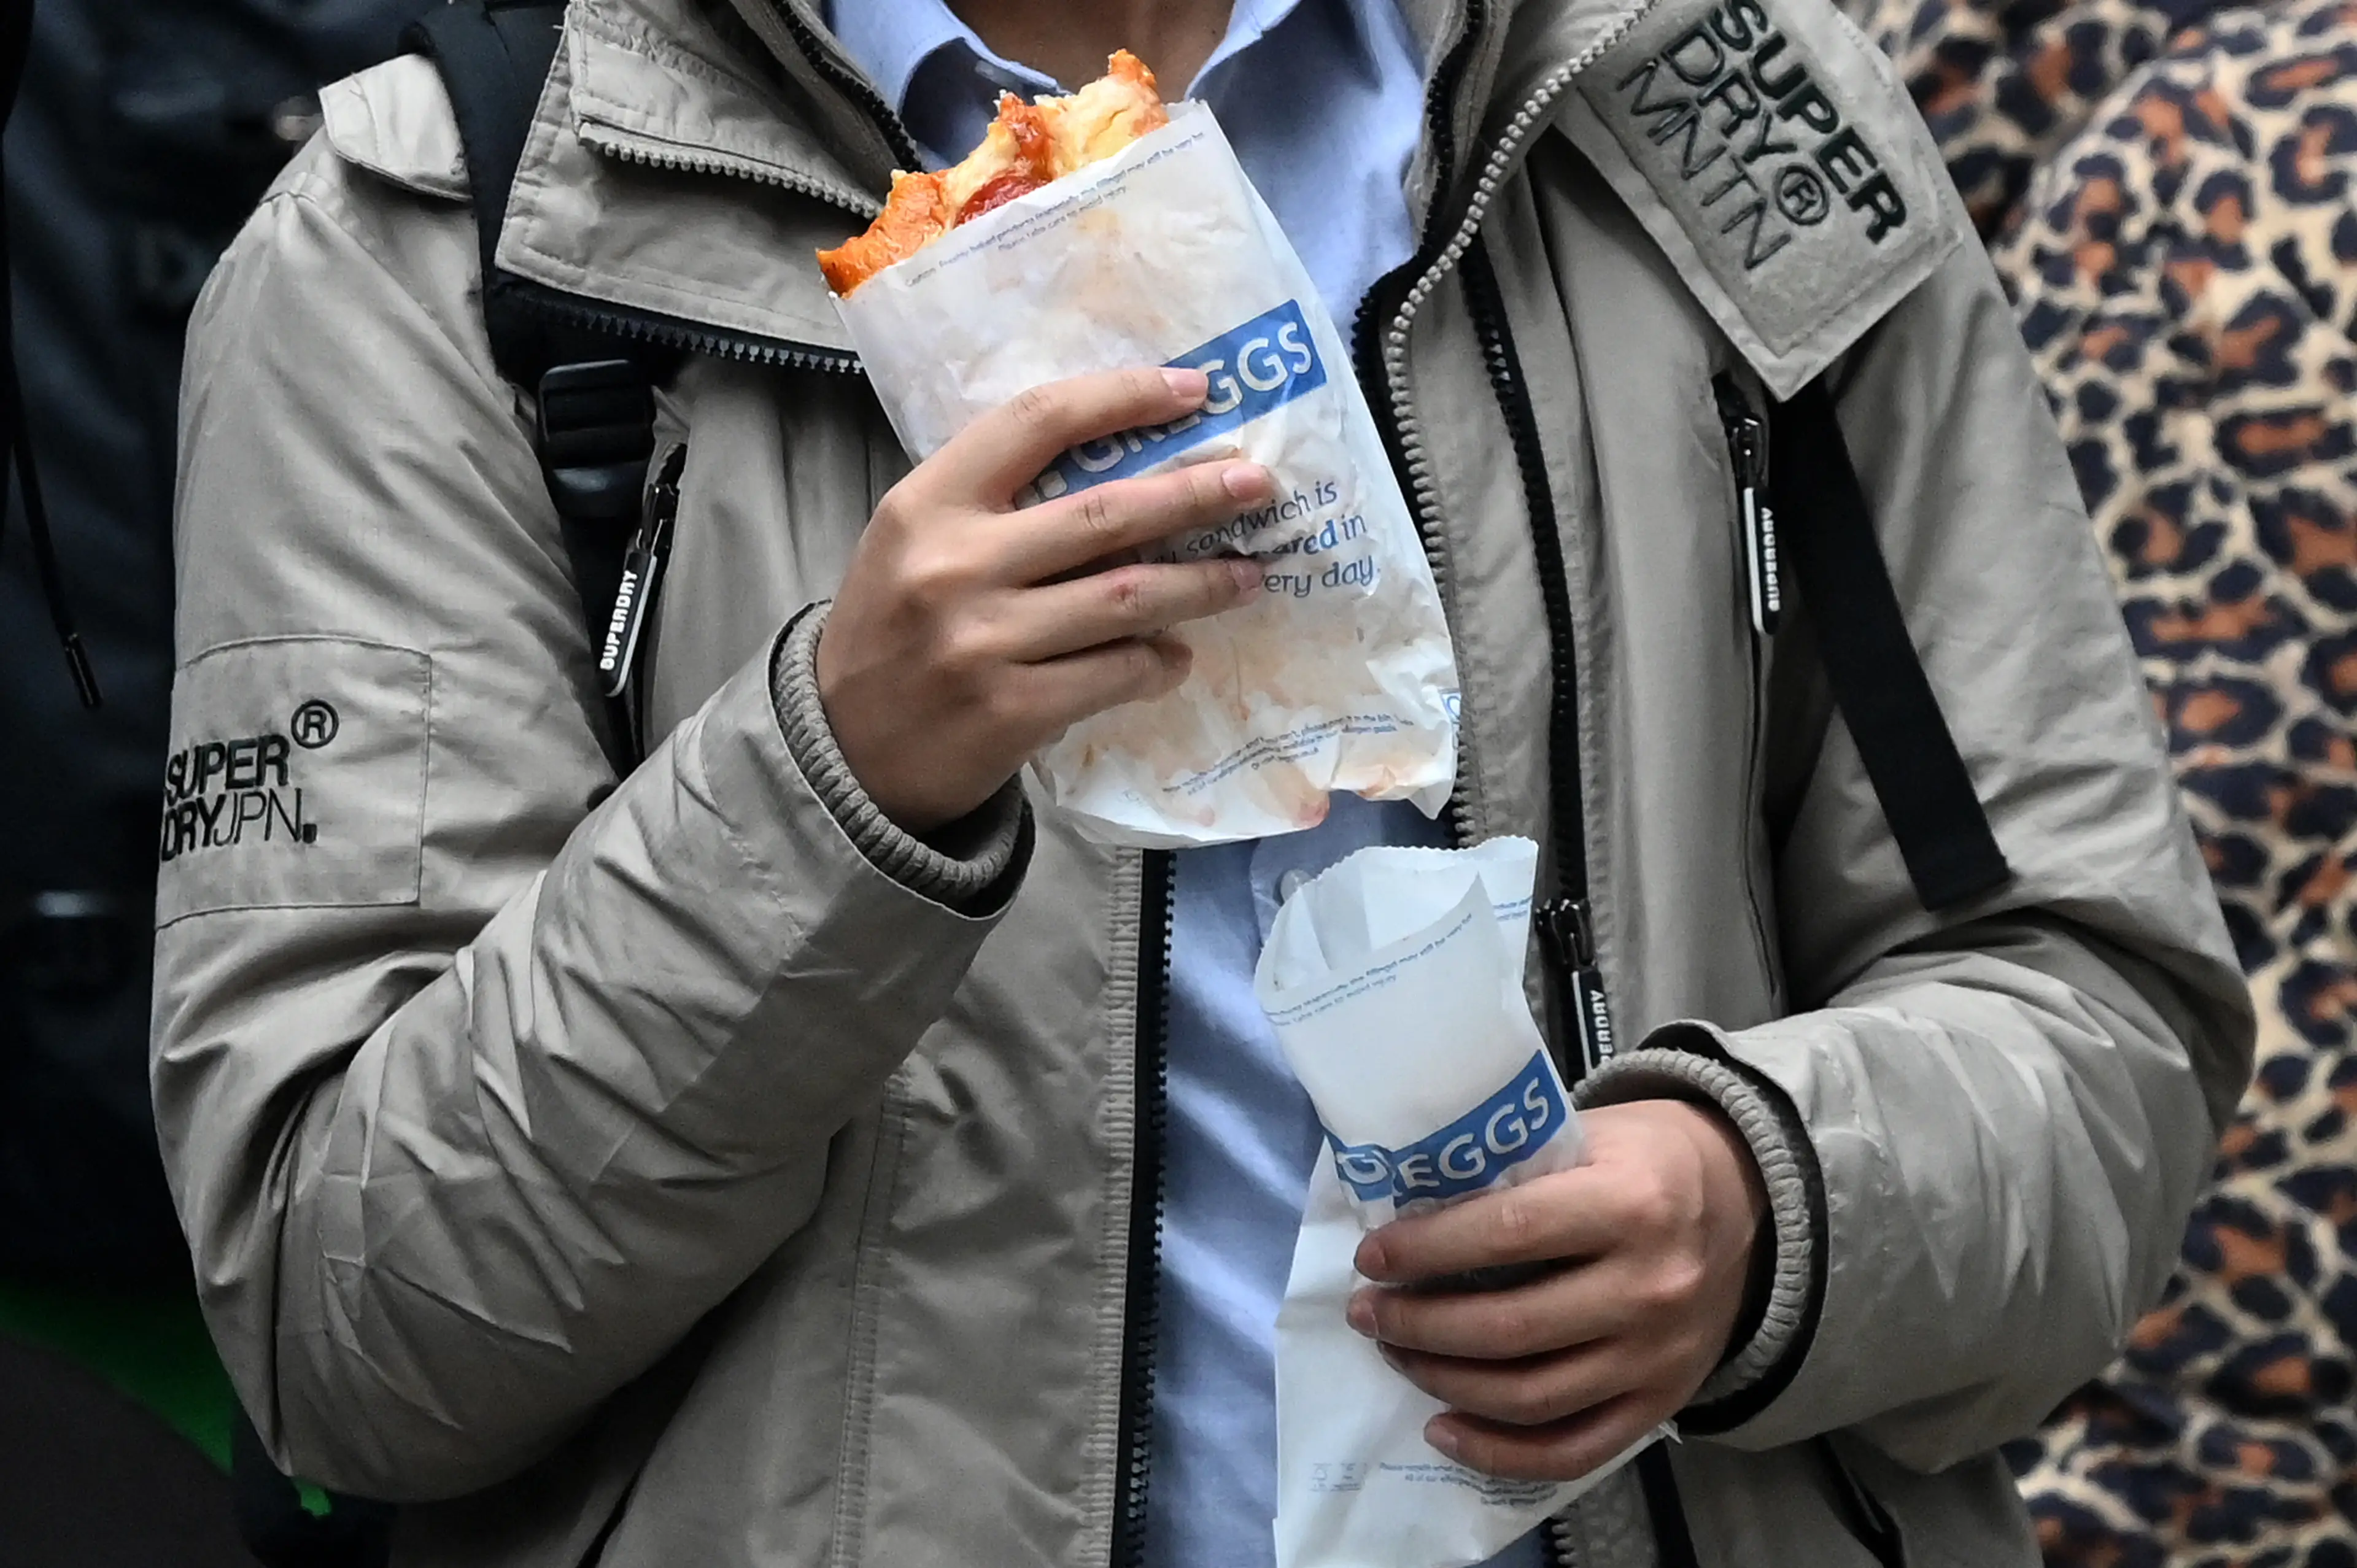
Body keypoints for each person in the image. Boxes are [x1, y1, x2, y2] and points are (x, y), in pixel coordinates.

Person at [152, 0, 2256, 1564]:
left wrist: (1762, 1206)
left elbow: (2095, 1015)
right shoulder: (439, 240)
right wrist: (840, 776)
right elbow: (356, 1330)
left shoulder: (1698, 111)